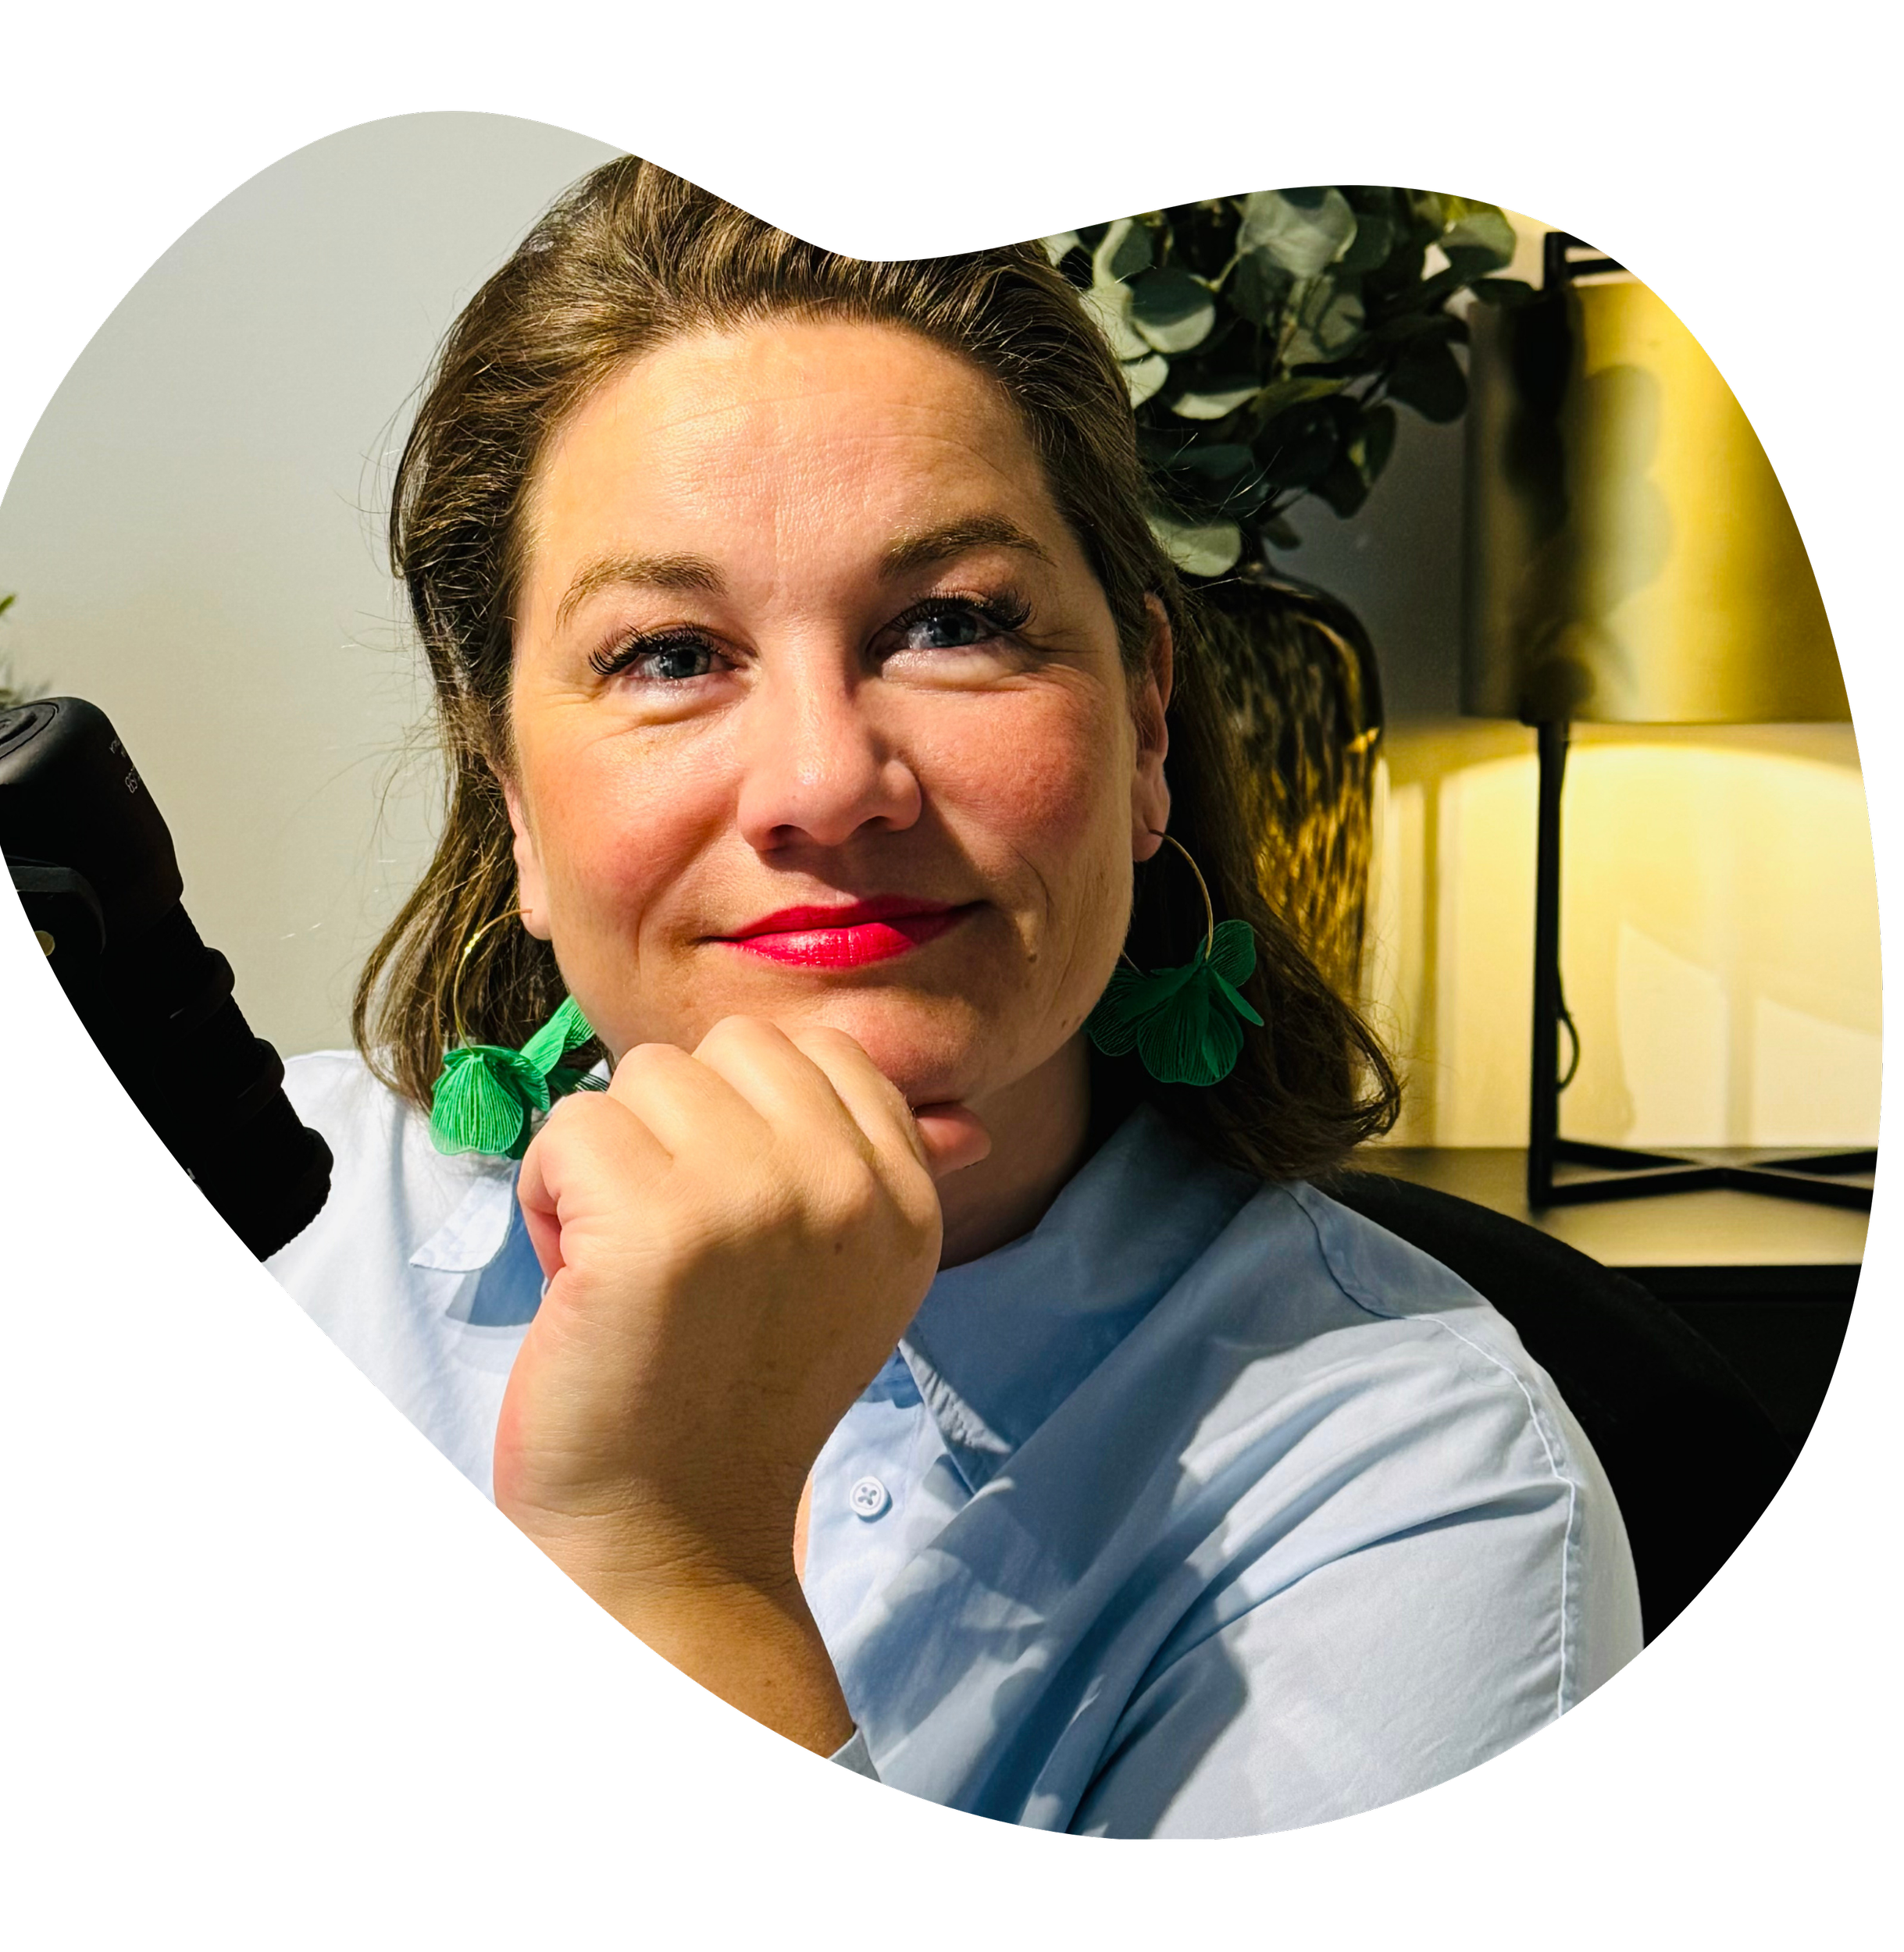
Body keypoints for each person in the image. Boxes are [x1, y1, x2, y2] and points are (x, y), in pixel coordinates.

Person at [267, 157, 1642, 1839]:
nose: (826, 782)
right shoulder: (287, 1221)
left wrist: (669, 1550)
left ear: (1144, 725)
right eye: (669, 654)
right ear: (514, 811)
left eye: (949, 623)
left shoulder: (1435, 1492)